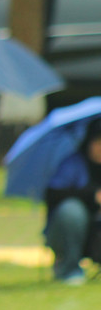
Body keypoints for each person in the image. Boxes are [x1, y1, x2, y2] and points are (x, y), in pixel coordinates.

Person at [43, 118, 101, 285]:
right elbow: (54, 194)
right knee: (72, 210)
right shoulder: (72, 164)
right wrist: (93, 196)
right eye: (98, 142)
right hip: (68, 231)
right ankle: (69, 269)